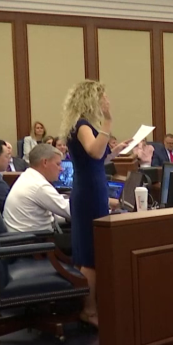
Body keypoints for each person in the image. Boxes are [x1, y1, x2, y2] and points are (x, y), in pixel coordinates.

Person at [61, 80, 130, 328]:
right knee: (91, 255)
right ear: (92, 99)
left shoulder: (79, 125)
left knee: (87, 251)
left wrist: (115, 152)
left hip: (88, 187)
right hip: (90, 192)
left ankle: (89, 306)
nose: (107, 102)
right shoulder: (82, 125)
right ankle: (89, 311)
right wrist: (109, 121)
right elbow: (92, 152)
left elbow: (97, 158)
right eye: (103, 97)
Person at [3, 144, 71, 232]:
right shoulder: (39, 186)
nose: (61, 169)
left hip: (25, 237)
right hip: (34, 240)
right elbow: (72, 212)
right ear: (45, 162)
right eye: (58, 164)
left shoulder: (28, 176)